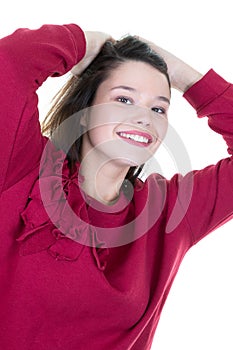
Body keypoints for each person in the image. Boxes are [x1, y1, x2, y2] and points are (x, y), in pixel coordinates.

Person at [0, 23, 233, 350]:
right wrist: (85, 44)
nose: (144, 118)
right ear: (84, 113)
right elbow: (9, 61)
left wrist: (179, 73)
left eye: (158, 108)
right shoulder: (21, 166)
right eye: (124, 99)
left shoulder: (170, 212)